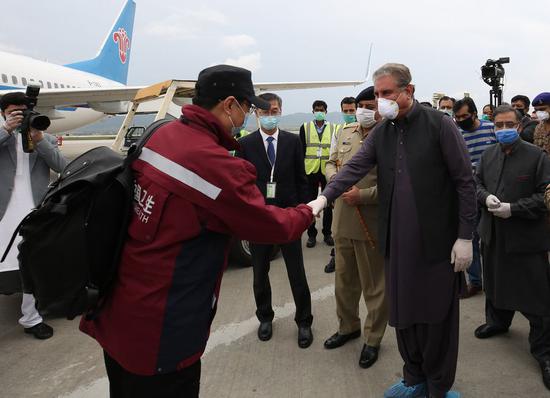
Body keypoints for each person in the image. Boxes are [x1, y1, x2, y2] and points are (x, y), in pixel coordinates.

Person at [80, 65, 314, 398]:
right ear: (230, 105)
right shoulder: (213, 162)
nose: (249, 115)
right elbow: (272, 226)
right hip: (163, 331)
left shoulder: (160, 134)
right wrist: (312, 208)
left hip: (119, 312)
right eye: (247, 108)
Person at [308, 63, 476, 398]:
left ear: (408, 91)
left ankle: (438, 386)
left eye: (387, 93)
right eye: (378, 94)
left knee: (435, 319)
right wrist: (323, 199)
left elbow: (465, 183)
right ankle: (414, 377)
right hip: (397, 242)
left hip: (435, 242)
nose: (381, 100)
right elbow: (354, 167)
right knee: (404, 312)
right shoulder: (384, 132)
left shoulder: (439, 126)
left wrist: (465, 236)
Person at [474, 104, 550, 391]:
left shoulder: (536, 156)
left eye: (509, 125)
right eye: (498, 125)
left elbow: (545, 195)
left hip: (525, 237)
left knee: (537, 294)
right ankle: (498, 321)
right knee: (494, 282)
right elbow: (476, 183)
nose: (503, 130)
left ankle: (544, 351)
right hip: (492, 234)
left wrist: (513, 208)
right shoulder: (488, 155)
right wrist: (486, 198)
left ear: (520, 126)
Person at [237, 92, 313, 348]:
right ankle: (265, 317)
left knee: (297, 272)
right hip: (260, 219)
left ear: (280, 111)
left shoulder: (292, 142)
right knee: (260, 272)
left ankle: (304, 321)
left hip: (288, 216)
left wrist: (304, 213)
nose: (270, 116)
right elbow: (242, 185)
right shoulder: (246, 145)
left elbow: (302, 180)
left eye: (274, 111)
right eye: (264, 112)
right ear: (256, 114)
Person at [323, 86, 388, 369]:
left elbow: (397, 184)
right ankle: (347, 326)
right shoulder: (345, 133)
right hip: (342, 218)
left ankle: (372, 339)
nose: (363, 110)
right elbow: (329, 162)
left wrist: (362, 195)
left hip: (370, 220)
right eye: (360, 105)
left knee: (374, 285)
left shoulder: (389, 136)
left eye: (369, 105)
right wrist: (335, 178)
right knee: (344, 281)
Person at [0, 92, 66, 340]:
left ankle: (31, 318)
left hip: (33, 212)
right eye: (13, 112)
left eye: (23, 112)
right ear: (3, 113)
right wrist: (6, 130)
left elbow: (62, 167)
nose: (20, 117)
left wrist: (39, 139)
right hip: (3, 211)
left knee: (32, 265)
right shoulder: (2, 135)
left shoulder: (42, 137)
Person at [453, 97, 496, 298]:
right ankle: (475, 281)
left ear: (475, 114)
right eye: (458, 117)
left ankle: (495, 279)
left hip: (492, 191)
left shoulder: (491, 129)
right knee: (470, 238)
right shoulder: (456, 133)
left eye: (465, 116)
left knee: (492, 240)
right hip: (468, 193)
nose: (461, 120)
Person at [324, 96, 358, 274]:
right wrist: (335, 182)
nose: (349, 114)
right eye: (345, 111)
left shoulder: (368, 131)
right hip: (341, 188)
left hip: (360, 190)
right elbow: (331, 160)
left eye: (352, 111)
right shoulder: (339, 131)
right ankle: (335, 256)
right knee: (338, 229)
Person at [299, 100, 335, 248]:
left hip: (326, 169)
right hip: (310, 170)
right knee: (310, 204)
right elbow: (301, 149)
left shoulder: (333, 128)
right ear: (313, 111)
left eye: (321, 110)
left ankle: (327, 233)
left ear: (326, 112)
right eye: (316, 109)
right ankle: (311, 235)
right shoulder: (305, 127)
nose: (319, 112)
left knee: (328, 203)